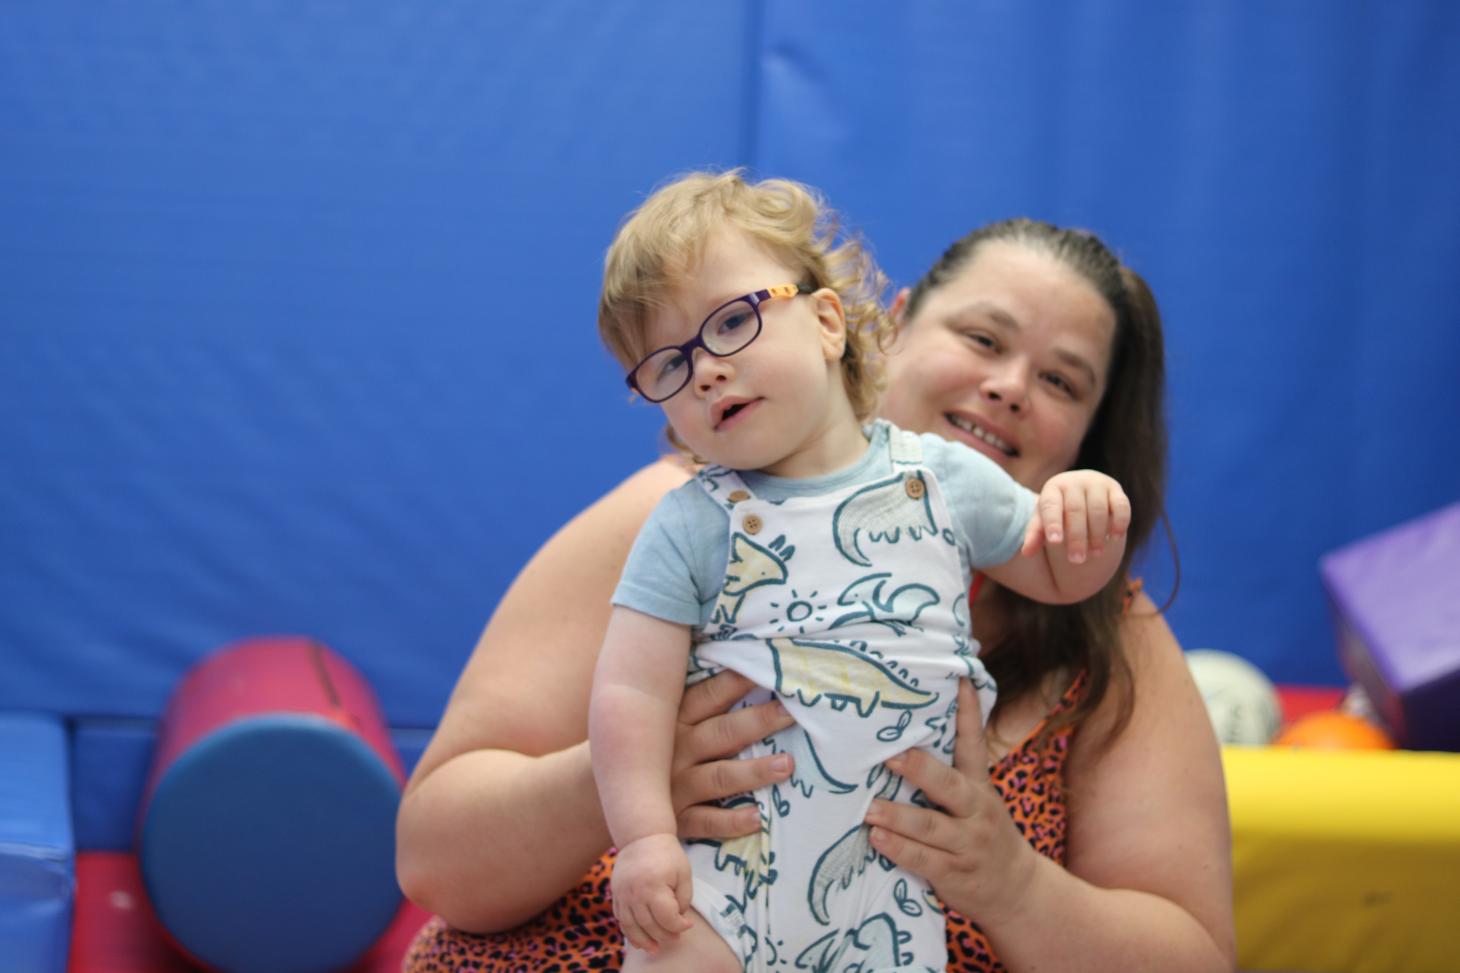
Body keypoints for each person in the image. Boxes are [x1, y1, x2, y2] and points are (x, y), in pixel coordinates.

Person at [396, 188, 1236, 972]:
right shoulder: (686, 519)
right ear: (890, 325)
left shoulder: (1101, 620)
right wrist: (635, 780)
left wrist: (1010, 883)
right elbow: (433, 857)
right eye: (983, 338)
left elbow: (1194, 953)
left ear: (1090, 431)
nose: (1009, 387)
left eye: (1060, 380)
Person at [587, 172, 1130, 972]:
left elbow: (1059, 573)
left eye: (732, 321)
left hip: (885, 891)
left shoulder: (939, 478)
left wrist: (1091, 512)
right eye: (668, 364)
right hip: (724, 882)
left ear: (828, 321)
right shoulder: (692, 520)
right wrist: (642, 837)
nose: (703, 369)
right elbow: (629, 692)